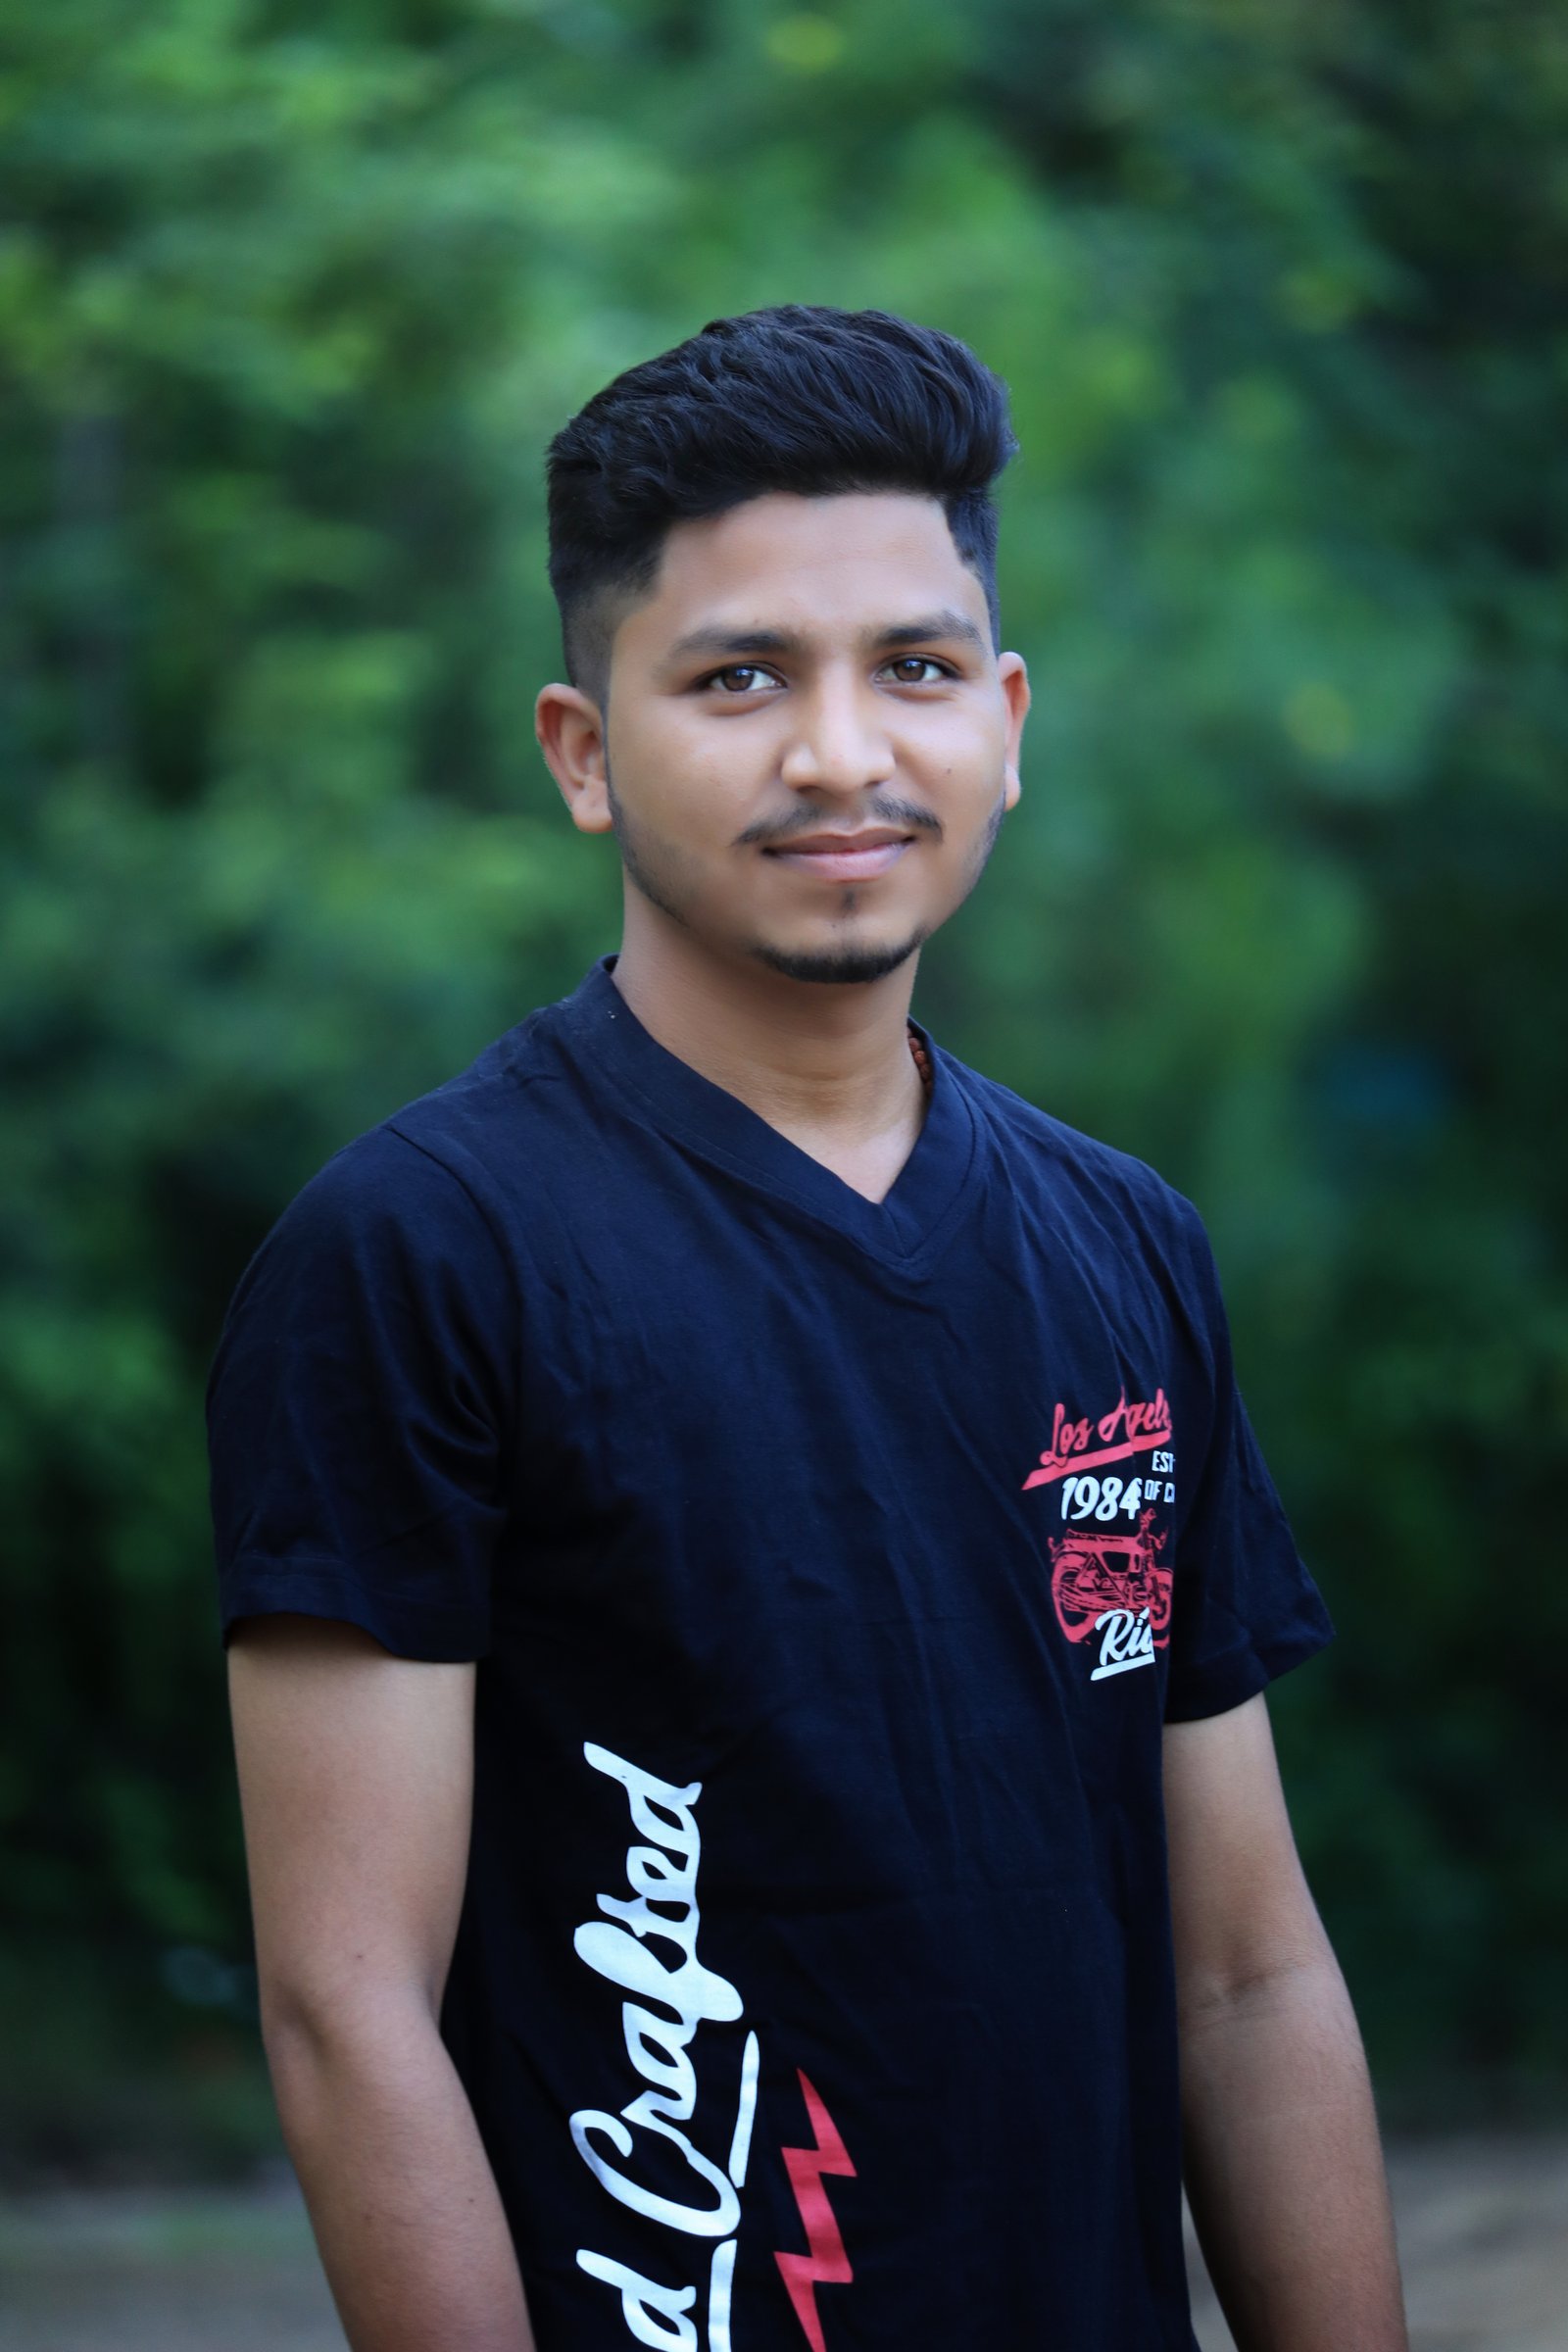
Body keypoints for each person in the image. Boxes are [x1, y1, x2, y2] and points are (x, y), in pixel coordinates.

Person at [209, 304, 1408, 2351]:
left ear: (1006, 724)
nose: (841, 753)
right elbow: (347, 2011)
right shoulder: (420, 1255)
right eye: (739, 676)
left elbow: (1243, 1971)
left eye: (913, 670)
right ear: (583, 752)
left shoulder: (1123, 1249)